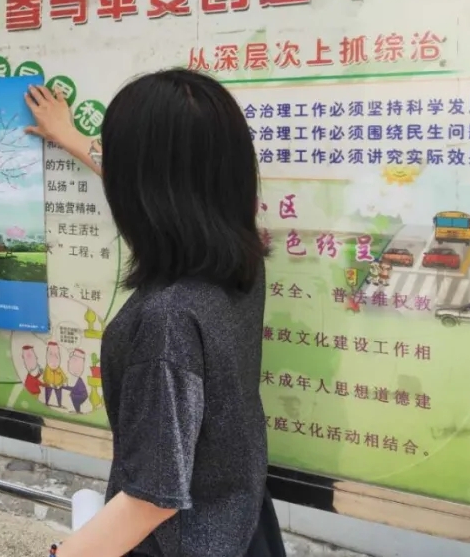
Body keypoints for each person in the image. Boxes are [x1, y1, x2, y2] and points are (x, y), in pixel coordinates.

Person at [25, 74, 285, 557]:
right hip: (243, 526)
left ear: (139, 190)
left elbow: (151, 499)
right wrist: (73, 138)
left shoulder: (168, 320)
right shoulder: (239, 261)